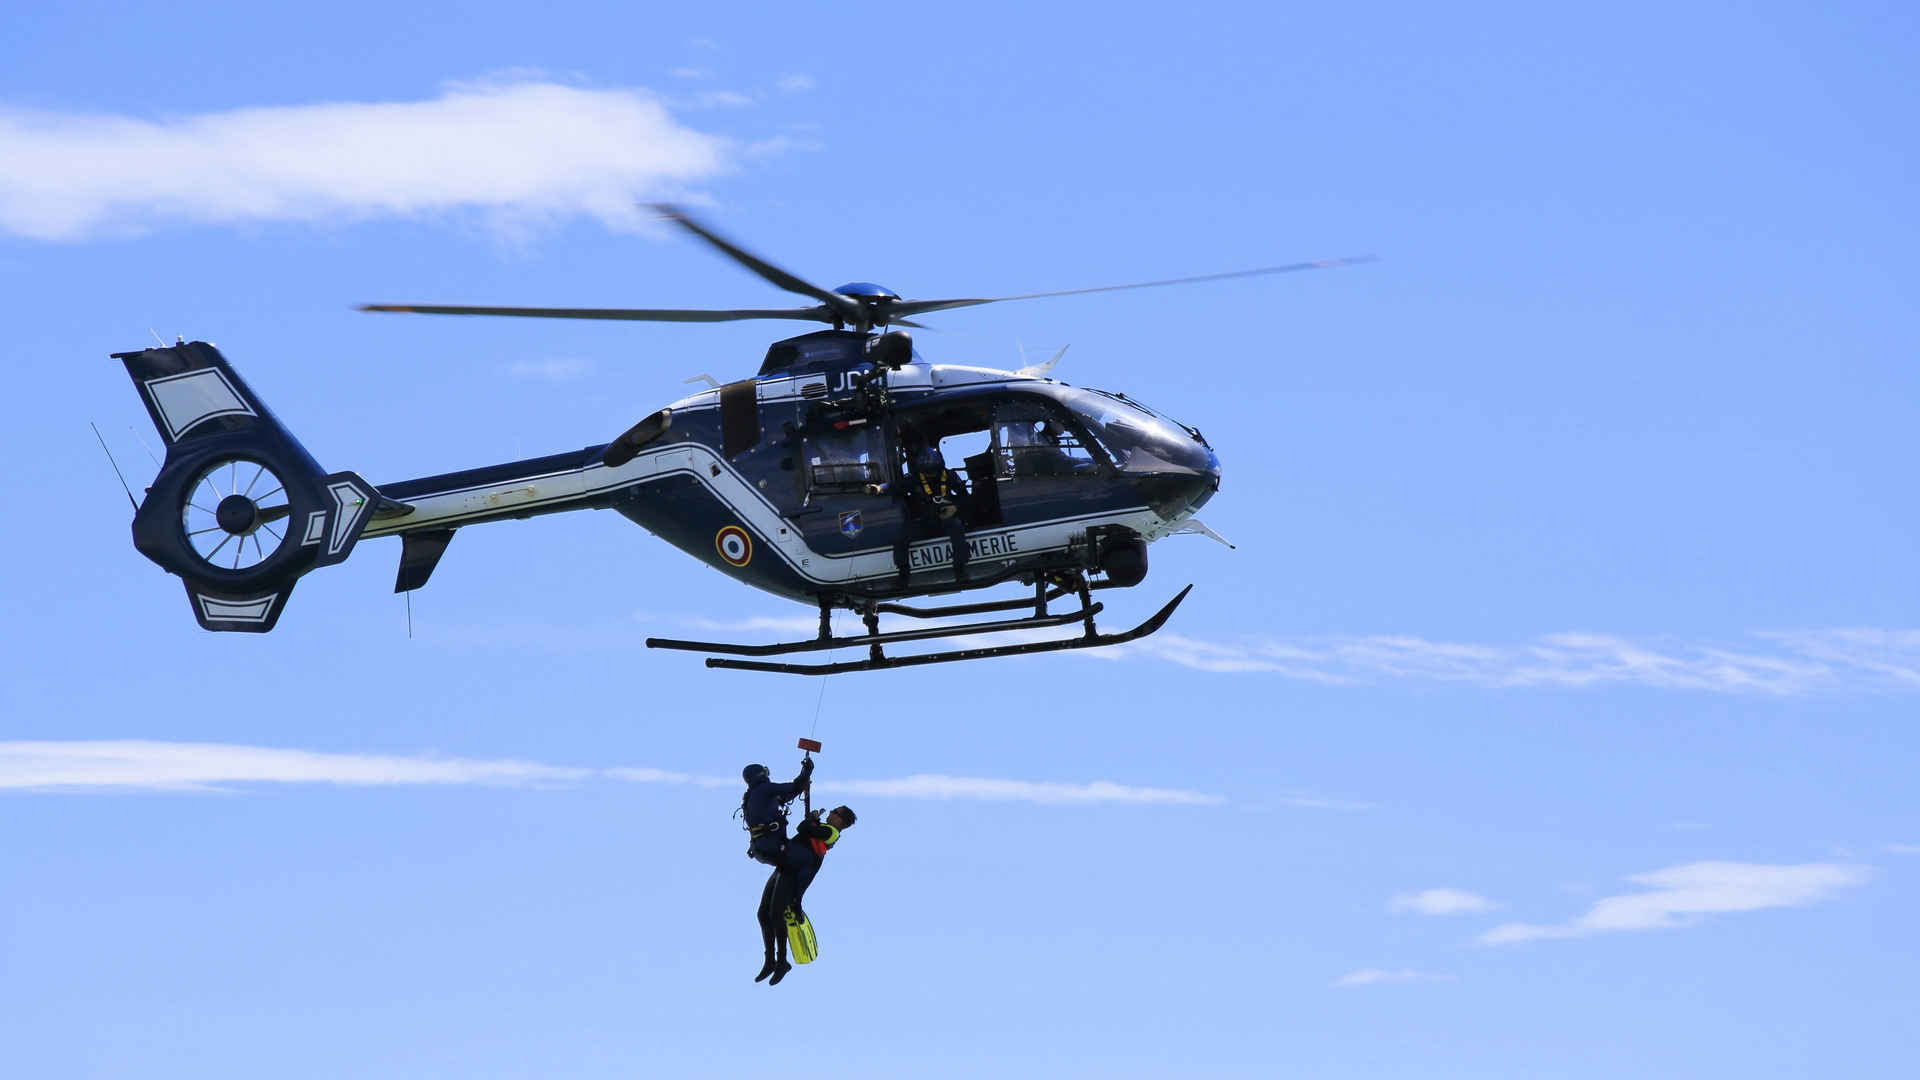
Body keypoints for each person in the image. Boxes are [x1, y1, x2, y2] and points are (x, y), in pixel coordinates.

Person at [755, 805, 857, 984]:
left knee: (775, 914)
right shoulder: (823, 829)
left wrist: (812, 819)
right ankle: (770, 960)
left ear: (841, 820)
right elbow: (807, 831)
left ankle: (781, 961)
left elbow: (803, 828)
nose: (831, 813)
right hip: (784, 867)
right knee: (763, 913)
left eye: (835, 812)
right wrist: (813, 820)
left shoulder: (831, 833)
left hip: (792, 874)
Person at [866, 428, 971, 587]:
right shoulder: (915, 479)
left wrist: (955, 508)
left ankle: (960, 570)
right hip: (926, 521)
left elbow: (966, 498)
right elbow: (895, 486)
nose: (930, 476)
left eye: (933, 472)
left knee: (957, 527)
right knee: (902, 536)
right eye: (927, 473)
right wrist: (879, 489)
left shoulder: (949, 476)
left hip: (946, 519)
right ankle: (903, 574)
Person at [739, 757, 813, 868]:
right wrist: (807, 770)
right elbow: (793, 787)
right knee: (808, 856)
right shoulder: (764, 789)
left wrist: (802, 782)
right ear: (761, 775)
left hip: (761, 849)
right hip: (773, 846)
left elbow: (786, 796)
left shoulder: (755, 795)